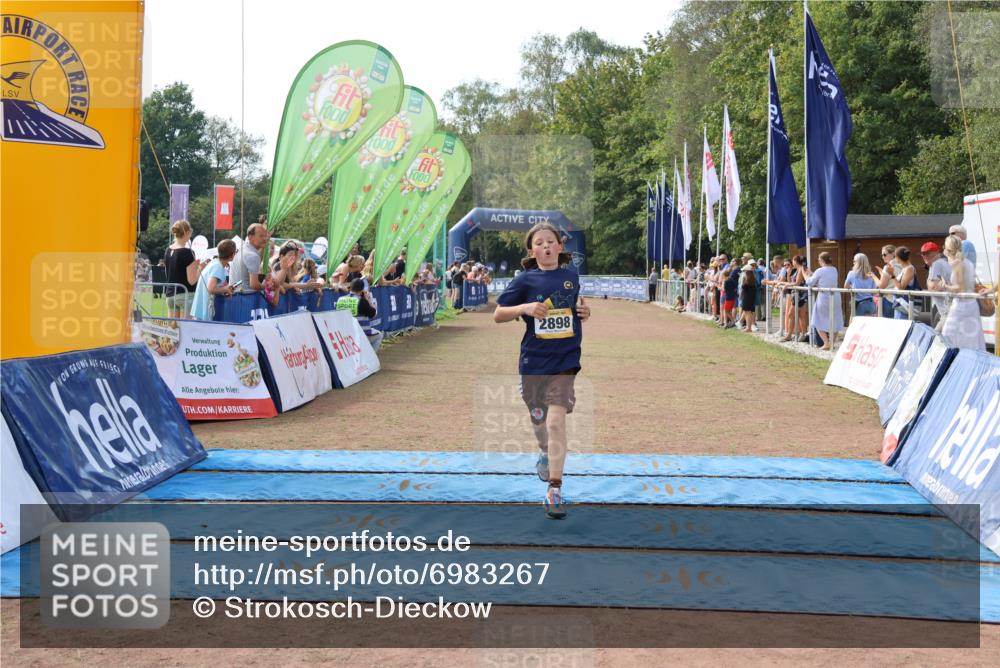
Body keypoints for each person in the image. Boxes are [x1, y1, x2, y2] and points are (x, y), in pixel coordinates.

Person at [494, 222, 591, 520]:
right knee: (540, 423)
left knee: (556, 423)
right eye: (539, 243)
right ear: (531, 250)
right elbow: (498, 314)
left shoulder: (571, 276)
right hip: (534, 362)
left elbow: (576, 307)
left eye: (551, 241)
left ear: (560, 247)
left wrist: (585, 312)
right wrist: (525, 308)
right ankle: (545, 453)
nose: (546, 246)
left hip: (565, 361)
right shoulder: (524, 280)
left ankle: (554, 489)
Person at [939, 235, 986, 351]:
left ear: (948, 249)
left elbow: (959, 288)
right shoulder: (968, 263)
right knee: (973, 341)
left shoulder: (957, 263)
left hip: (960, 306)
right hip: (972, 305)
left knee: (948, 339)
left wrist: (945, 286)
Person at [163, 220, 205, 318]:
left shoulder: (168, 250)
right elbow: (192, 281)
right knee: (186, 327)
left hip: (170, 295)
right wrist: (201, 267)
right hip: (185, 295)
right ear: (187, 232)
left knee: (173, 327)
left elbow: (168, 273)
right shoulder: (188, 252)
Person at [803, 251, 844, 350]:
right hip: (835, 296)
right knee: (835, 319)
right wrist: (812, 273)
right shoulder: (834, 269)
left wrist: (804, 273)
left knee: (817, 319)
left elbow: (810, 282)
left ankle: (826, 343)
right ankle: (831, 342)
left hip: (824, 297)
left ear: (821, 260)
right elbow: (824, 279)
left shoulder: (820, 271)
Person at [191, 239, 236, 320]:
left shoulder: (215, 263)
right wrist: (226, 289)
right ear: (232, 255)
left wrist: (225, 289)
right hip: (205, 311)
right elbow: (210, 289)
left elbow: (216, 286)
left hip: (201, 310)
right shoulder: (217, 267)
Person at [337, 278, 384, 351]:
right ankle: (370, 356)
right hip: (361, 334)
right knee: (379, 335)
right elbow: (373, 314)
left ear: (350, 287)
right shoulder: (362, 301)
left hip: (344, 334)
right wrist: (369, 300)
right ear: (362, 289)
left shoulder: (340, 299)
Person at [230, 218, 270, 293]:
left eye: (266, 236)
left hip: (236, 296)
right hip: (247, 297)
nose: (265, 239)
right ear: (250, 237)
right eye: (261, 236)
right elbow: (254, 285)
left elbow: (257, 260)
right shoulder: (252, 256)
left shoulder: (243, 250)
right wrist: (268, 287)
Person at [921, 241, 952, 331]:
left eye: (928, 253)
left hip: (947, 312)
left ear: (937, 252)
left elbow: (933, 287)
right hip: (948, 311)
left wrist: (929, 282)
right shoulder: (942, 262)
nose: (925, 256)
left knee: (936, 337)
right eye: (923, 254)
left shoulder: (937, 264)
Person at [844, 252, 877, 318]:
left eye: (854, 261)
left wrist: (853, 288)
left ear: (857, 262)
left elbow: (846, 287)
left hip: (858, 303)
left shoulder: (852, 273)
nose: (853, 263)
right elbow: (874, 292)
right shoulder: (871, 274)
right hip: (870, 304)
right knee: (869, 323)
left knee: (854, 322)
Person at [874, 244, 901, 318]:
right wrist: (882, 273)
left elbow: (881, 286)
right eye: (882, 255)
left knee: (887, 323)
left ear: (893, 254)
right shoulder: (902, 266)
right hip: (900, 301)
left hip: (889, 300)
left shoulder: (887, 267)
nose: (883, 257)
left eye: (884, 254)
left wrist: (873, 276)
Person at [740, 265, 757, 332]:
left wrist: (743, 279)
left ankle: (748, 327)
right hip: (749, 298)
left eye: (744, 271)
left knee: (747, 313)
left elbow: (743, 287)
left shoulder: (748, 281)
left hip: (747, 298)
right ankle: (748, 327)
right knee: (747, 312)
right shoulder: (752, 280)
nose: (743, 273)